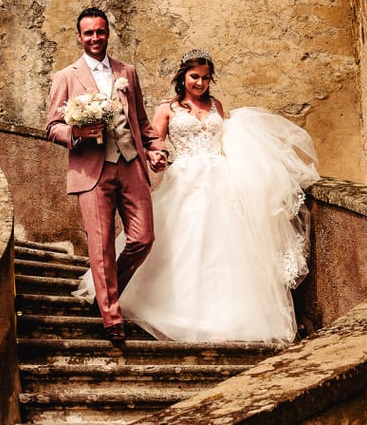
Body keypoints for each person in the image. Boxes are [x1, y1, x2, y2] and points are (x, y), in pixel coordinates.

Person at [75, 49, 320, 344]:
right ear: (183, 77)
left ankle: (229, 315)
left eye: (205, 78)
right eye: (194, 77)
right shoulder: (168, 108)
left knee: (228, 247)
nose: (200, 83)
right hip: (185, 182)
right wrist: (156, 156)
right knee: (180, 243)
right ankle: (162, 305)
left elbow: (228, 140)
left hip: (222, 181)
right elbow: (154, 142)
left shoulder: (217, 105)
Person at [46, 7, 168, 345]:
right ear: (78, 37)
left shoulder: (126, 72)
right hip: (91, 171)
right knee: (99, 248)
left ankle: (104, 290)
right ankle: (111, 317)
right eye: (89, 34)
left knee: (143, 239)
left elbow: (142, 122)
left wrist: (157, 148)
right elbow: (52, 126)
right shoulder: (65, 77)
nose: (95, 38)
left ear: (108, 32)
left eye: (100, 32)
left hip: (130, 163)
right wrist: (76, 134)